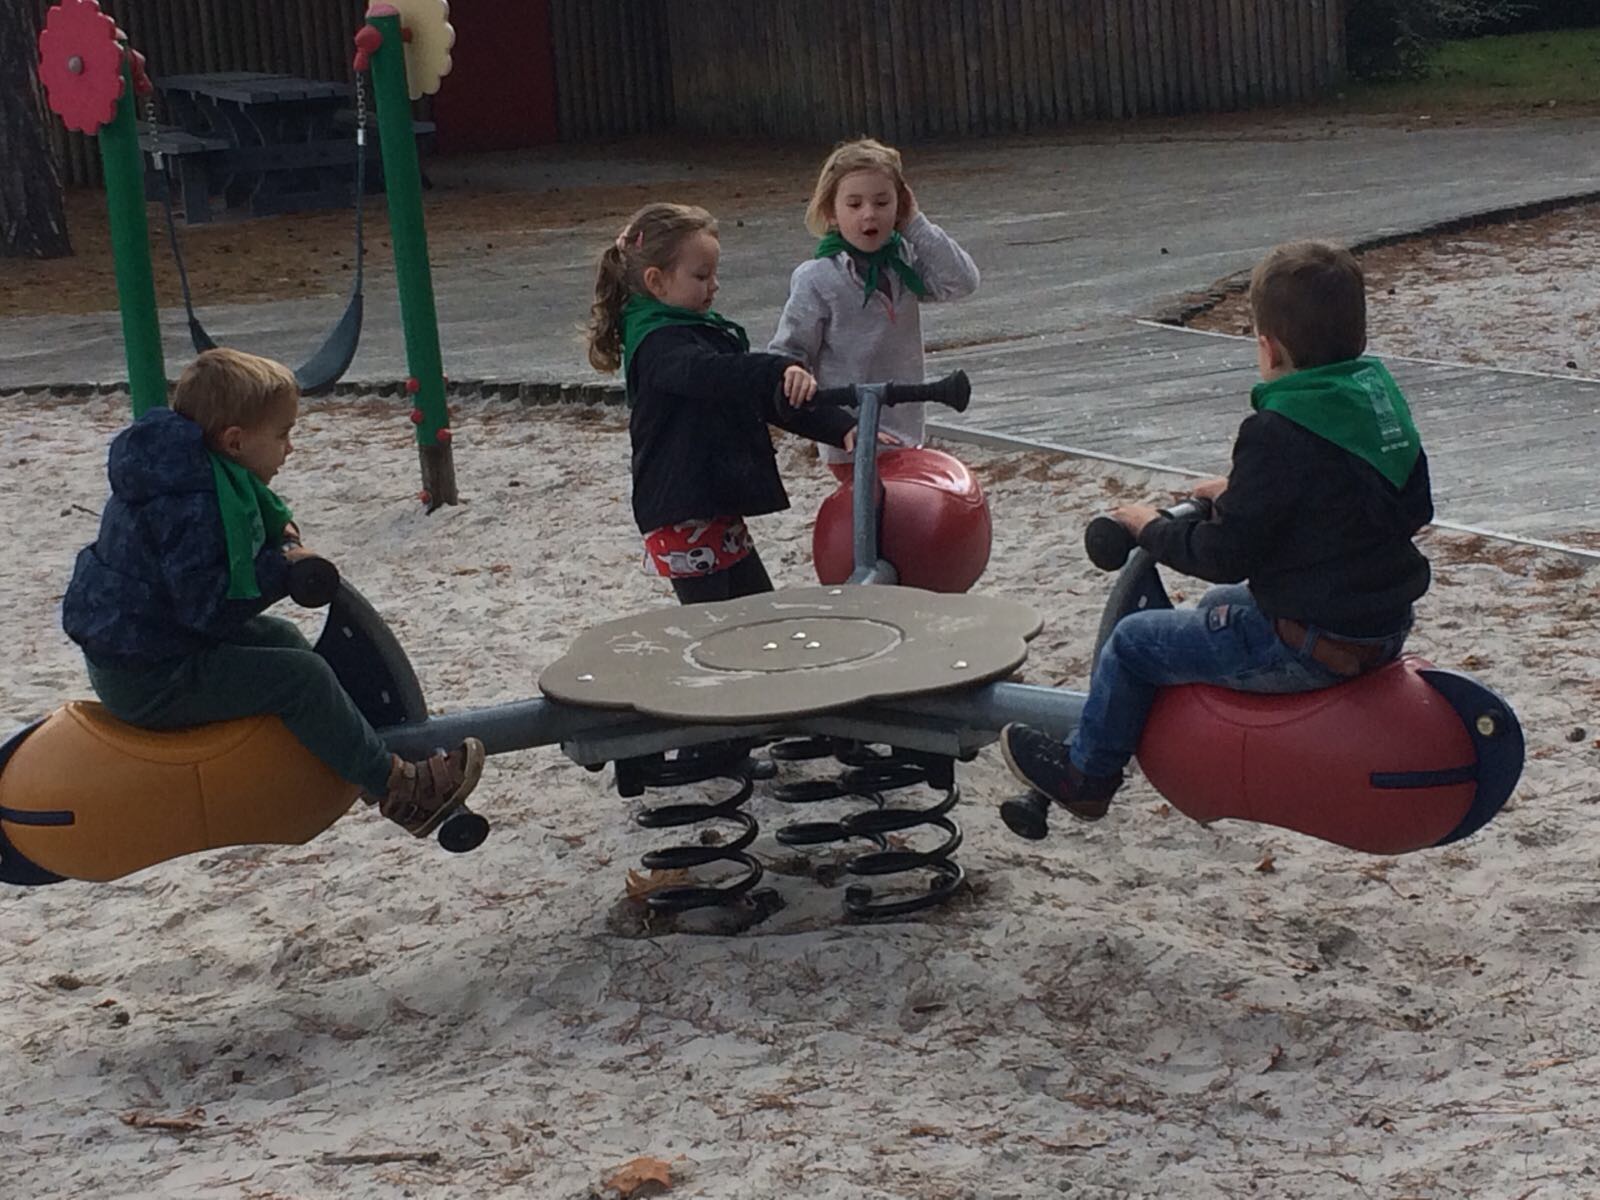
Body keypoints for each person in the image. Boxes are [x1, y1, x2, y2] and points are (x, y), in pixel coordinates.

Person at [999, 241, 1434, 828]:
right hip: (1379, 625)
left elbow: (1223, 554)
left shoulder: (1275, 431)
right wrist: (1239, 493)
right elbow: (1401, 506)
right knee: (1217, 608)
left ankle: (1087, 776)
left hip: (1309, 643)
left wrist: (1148, 527)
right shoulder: (1375, 409)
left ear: (1268, 347)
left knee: (1133, 642)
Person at [61, 348, 484, 837]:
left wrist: (280, 542)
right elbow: (208, 607)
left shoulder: (184, 471)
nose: (290, 449)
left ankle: (346, 741)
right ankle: (401, 794)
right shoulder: (190, 508)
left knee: (282, 637)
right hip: (149, 677)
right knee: (298, 675)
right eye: (282, 435)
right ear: (235, 441)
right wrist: (281, 571)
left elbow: (248, 528)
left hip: (152, 647)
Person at [587, 201, 863, 605]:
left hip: (714, 505)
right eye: (701, 275)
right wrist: (777, 368)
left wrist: (838, 426)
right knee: (718, 625)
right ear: (656, 282)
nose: (713, 285)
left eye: (715, 273)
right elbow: (711, 374)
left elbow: (758, 396)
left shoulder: (696, 330)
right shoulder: (656, 345)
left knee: (755, 613)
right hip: (680, 511)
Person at [768, 137, 980, 481]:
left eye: (882, 202)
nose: (869, 213)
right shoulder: (818, 278)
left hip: (906, 433)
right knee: (872, 518)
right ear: (830, 212)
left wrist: (916, 225)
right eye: (854, 204)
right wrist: (793, 370)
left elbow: (962, 280)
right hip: (851, 439)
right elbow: (789, 350)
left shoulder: (904, 263)